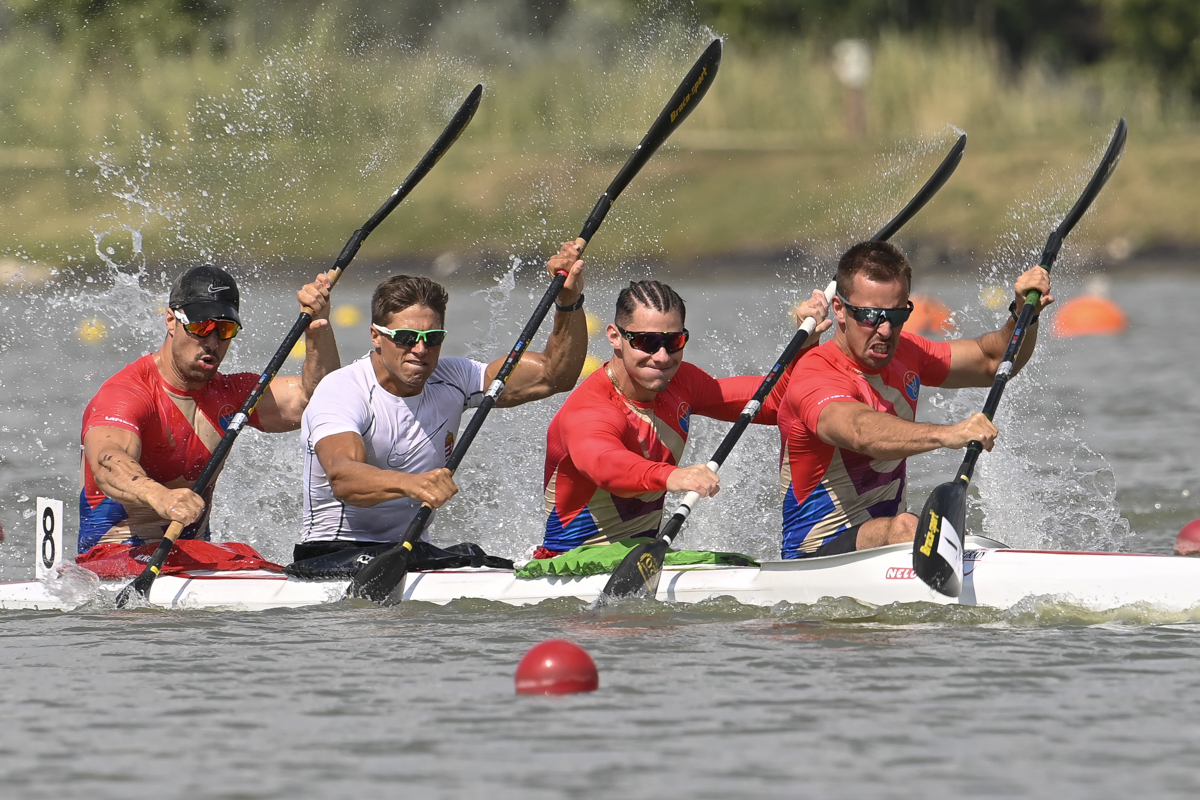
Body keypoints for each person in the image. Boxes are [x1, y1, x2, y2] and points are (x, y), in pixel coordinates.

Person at [293, 241, 589, 564]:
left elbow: (554, 375)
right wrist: (413, 485)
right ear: (375, 336)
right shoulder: (343, 389)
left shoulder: (454, 378)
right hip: (333, 552)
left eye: (432, 339)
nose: (420, 350)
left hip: (408, 552)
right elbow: (343, 477)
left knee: (478, 559)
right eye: (406, 338)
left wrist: (568, 301)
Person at [777, 240, 1053, 559]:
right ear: (839, 309)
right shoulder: (814, 373)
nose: (884, 330)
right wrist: (946, 434)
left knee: (923, 530)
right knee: (908, 527)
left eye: (896, 315)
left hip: (886, 539)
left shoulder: (907, 352)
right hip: (816, 555)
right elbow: (859, 430)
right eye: (870, 315)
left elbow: (991, 361)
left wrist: (1023, 314)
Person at [534, 279, 832, 558]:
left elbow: (776, 403)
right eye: (647, 342)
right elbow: (605, 467)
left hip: (640, 556)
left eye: (674, 341)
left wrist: (805, 346)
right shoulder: (591, 409)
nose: (662, 357)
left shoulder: (682, 382)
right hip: (571, 565)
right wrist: (674, 476)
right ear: (615, 336)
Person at [79, 264, 339, 554]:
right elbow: (106, 462)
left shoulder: (232, 393)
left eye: (225, 329)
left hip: (194, 558)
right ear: (170, 320)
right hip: (112, 558)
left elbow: (317, 402)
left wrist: (318, 327)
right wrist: (161, 497)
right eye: (202, 327)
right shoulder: (128, 392)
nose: (213, 342)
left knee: (248, 556)